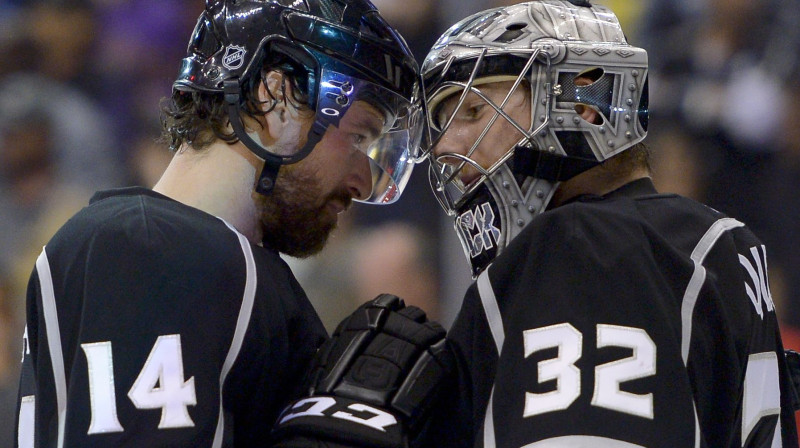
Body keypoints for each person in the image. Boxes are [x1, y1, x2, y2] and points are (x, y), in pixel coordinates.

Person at [13, 0, 431, 446]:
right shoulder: (153, 246)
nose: (364, 182)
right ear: (277, 100)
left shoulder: (204, 256)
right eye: (360, 135)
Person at [411, 1, 800, 446]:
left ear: (583, 106)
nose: (446, 147)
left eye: (473, 111)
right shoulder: (721, 242)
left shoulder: (583, 244)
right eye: (443, 123)